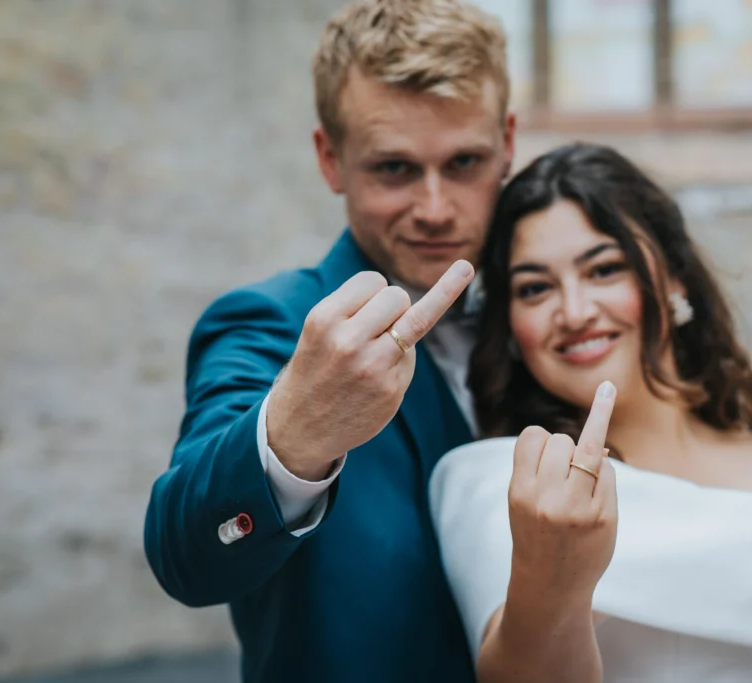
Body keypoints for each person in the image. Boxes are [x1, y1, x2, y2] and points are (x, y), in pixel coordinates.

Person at [429, 143, 752, 683]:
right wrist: (555, 577)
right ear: (511, 327)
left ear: (674, 276)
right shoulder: (504, 482)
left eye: (604, 269)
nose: (574, 311)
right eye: (536, 288)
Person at [142, 1, 515, 681]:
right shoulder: (268, 323)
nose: (434, 207)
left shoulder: (550, 322)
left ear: (509, 144)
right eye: (394, 169)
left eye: (464, 162)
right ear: (330, 158)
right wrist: (294, 434)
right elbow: (185, 555)